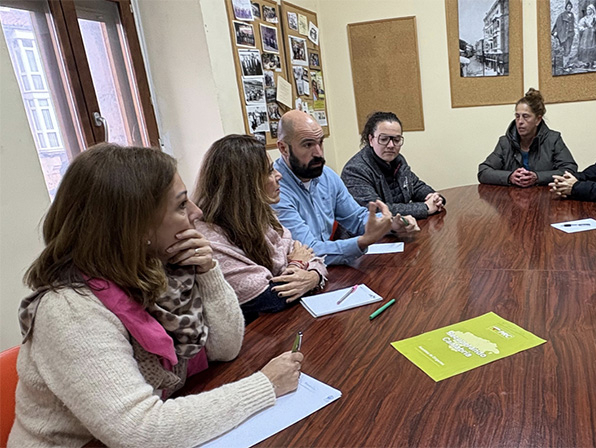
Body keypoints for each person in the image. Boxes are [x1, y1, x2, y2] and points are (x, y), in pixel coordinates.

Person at [10, 144, 304, 447]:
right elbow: (140, 431)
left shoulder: (162, 272)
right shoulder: (69, 309)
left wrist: (209, 271)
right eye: (181, 205)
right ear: (136, 227)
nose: (197, 212)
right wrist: (265, 385)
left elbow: (225, 348)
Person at [194, 135, 328, 325]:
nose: (279, 175)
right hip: (251, 335)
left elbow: (310, 255)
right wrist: (298, 264)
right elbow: (268, 299)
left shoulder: (263, 218)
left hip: (281, 325)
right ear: (245, 184)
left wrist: (313, 276)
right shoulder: (210, 238)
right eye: (269, 171)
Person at [272, 110, 419, 266]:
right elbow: (308, 251)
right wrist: (362, 242)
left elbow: (356, 217)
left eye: (320, 142)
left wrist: (390, 224)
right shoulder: (275, 189)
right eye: (308, 145)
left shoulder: (326, 176)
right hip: (297, 273)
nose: (318, 153)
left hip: (323, 269)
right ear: (283, 148)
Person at [341, 111, 445, 220]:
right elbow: (377, 211)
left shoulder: (398, 160)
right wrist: (425, 208)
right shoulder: (355, 170)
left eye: (396, 140)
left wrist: (434, 198)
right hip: (371, 230)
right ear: (371, 140)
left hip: (401, 226)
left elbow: (415, 186)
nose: (391, 145)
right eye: (384, 139)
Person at [478, 88, 578, 187]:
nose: (520, 121)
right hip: (512, 196)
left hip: (544, 196)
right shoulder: (505, 142)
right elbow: (483, 171)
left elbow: (570, 170)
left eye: (525, 116)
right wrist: (510, 177)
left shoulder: (553, 140)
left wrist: (538, 177)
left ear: (538, 119)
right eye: (517, 116)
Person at [577, 4, 596, 69]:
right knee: (586, 48)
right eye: (587, 10)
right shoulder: (585, 18)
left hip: (593, 35)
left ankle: (592, 63)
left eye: (589, 10)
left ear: (592, 10)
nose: (588, 11)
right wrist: (583, 28)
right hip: (586, 36)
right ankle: (587, 63)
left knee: (593, 48)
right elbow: (580, 25)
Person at [551, 1, 576, 71]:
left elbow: (574, 24)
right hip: (565, 35)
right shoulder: (562, 15)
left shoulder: (572, 15)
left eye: (570, 6)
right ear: (566, 7)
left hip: (571, 34)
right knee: (566, 49)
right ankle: (565, 66)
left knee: (569, 49)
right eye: (568, 6)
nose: (569, 8)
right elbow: (558, 24)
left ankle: (566, 64)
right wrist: (555, 32)